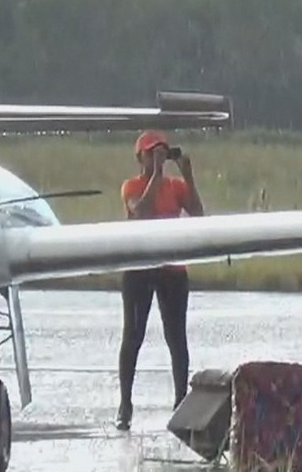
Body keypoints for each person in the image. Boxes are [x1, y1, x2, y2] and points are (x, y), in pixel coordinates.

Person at [116, 130, 204, 431]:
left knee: (176, 337)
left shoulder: (176, 187)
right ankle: (125, 403)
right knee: (134, 336)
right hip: (139, 268)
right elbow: (140, 211)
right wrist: (155, 174)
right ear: (140, 157)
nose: (157, 158)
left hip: (172, 269)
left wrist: (188, 175)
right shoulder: (132, 186)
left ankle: (181, 400)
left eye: (162, 152)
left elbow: (198, 213)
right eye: (152, 153)